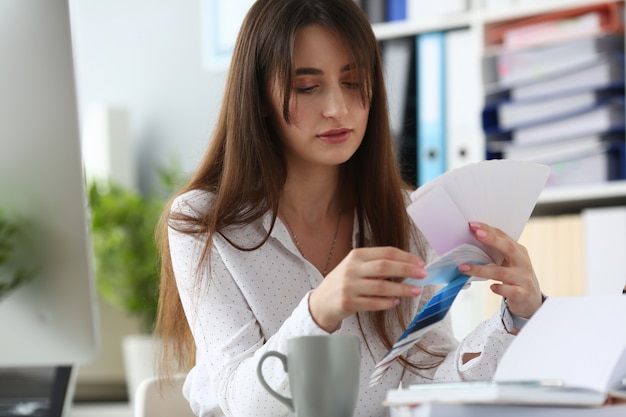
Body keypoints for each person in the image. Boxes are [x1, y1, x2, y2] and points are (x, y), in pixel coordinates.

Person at [154, 0, 545, 416]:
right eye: (307, 87)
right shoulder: (204, 224)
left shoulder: (408, 217)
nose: (337, 109)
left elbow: (426, 386)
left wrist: (514, 320)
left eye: (354, 82)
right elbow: (242, 405)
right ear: (258, 96)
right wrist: (318, 311)